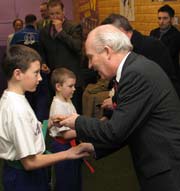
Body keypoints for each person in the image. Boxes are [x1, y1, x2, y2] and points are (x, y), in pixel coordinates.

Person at [54, 25, 180, 191]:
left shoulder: (135, 74)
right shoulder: (133, 69)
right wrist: (93, 147)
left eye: (91, 57)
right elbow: (128, 127)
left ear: (107, 51)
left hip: (167, 167)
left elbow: (116, 130)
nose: (90, 65)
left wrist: (77, 121)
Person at [0, 44, 94, 191]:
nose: (40, 78)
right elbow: (30, 162)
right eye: (36, 73)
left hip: (27, 173)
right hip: (24, 178)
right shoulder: (16, 110)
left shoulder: (16, 98)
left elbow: (29, 130)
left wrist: (48, 123)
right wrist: (68, 153)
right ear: (18, 74)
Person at [100, 13, 180, 117]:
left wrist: (116, 101)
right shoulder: (125, 48)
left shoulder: (152, 46)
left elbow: (152, 87)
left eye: (109, 38)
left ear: (121, 32)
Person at [39, 0, 83, 114]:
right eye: (52, 14)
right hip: (54, 79)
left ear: (63, 11)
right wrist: (43, 63)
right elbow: (42, 51)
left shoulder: (74, 26)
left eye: (57, 13)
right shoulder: (44, 31)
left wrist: (60, 32)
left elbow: (77, 47)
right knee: (57, 112)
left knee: (74, 112)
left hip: (71, 79)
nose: (55, 17)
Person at [11, 14, 50, 122]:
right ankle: (41, 128)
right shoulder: (40, 35)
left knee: (25, 100)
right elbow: (46, 52)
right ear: (34, 22)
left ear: (25, 22)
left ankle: (27, 123)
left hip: (23, 73)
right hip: (39, 71)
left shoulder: (17, 35)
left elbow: (12, 54)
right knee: (41, 101)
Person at [49, 67, 83, 191]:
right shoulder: (58, 106)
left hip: (72, 145)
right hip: (62, 147)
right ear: (58, 87)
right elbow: (65, 135)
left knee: (74, 178)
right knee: (65, 181)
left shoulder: (67, 100)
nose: (74, 89)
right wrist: (85, 130)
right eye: (70, 86)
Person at [150, 4, 180, 78]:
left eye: (165, 18)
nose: (161, 21)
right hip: (154, 70)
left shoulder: (176, 35)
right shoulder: (153, 32)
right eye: (159, 18)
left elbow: (167, 55)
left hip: (170, 74)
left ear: (171, 19)